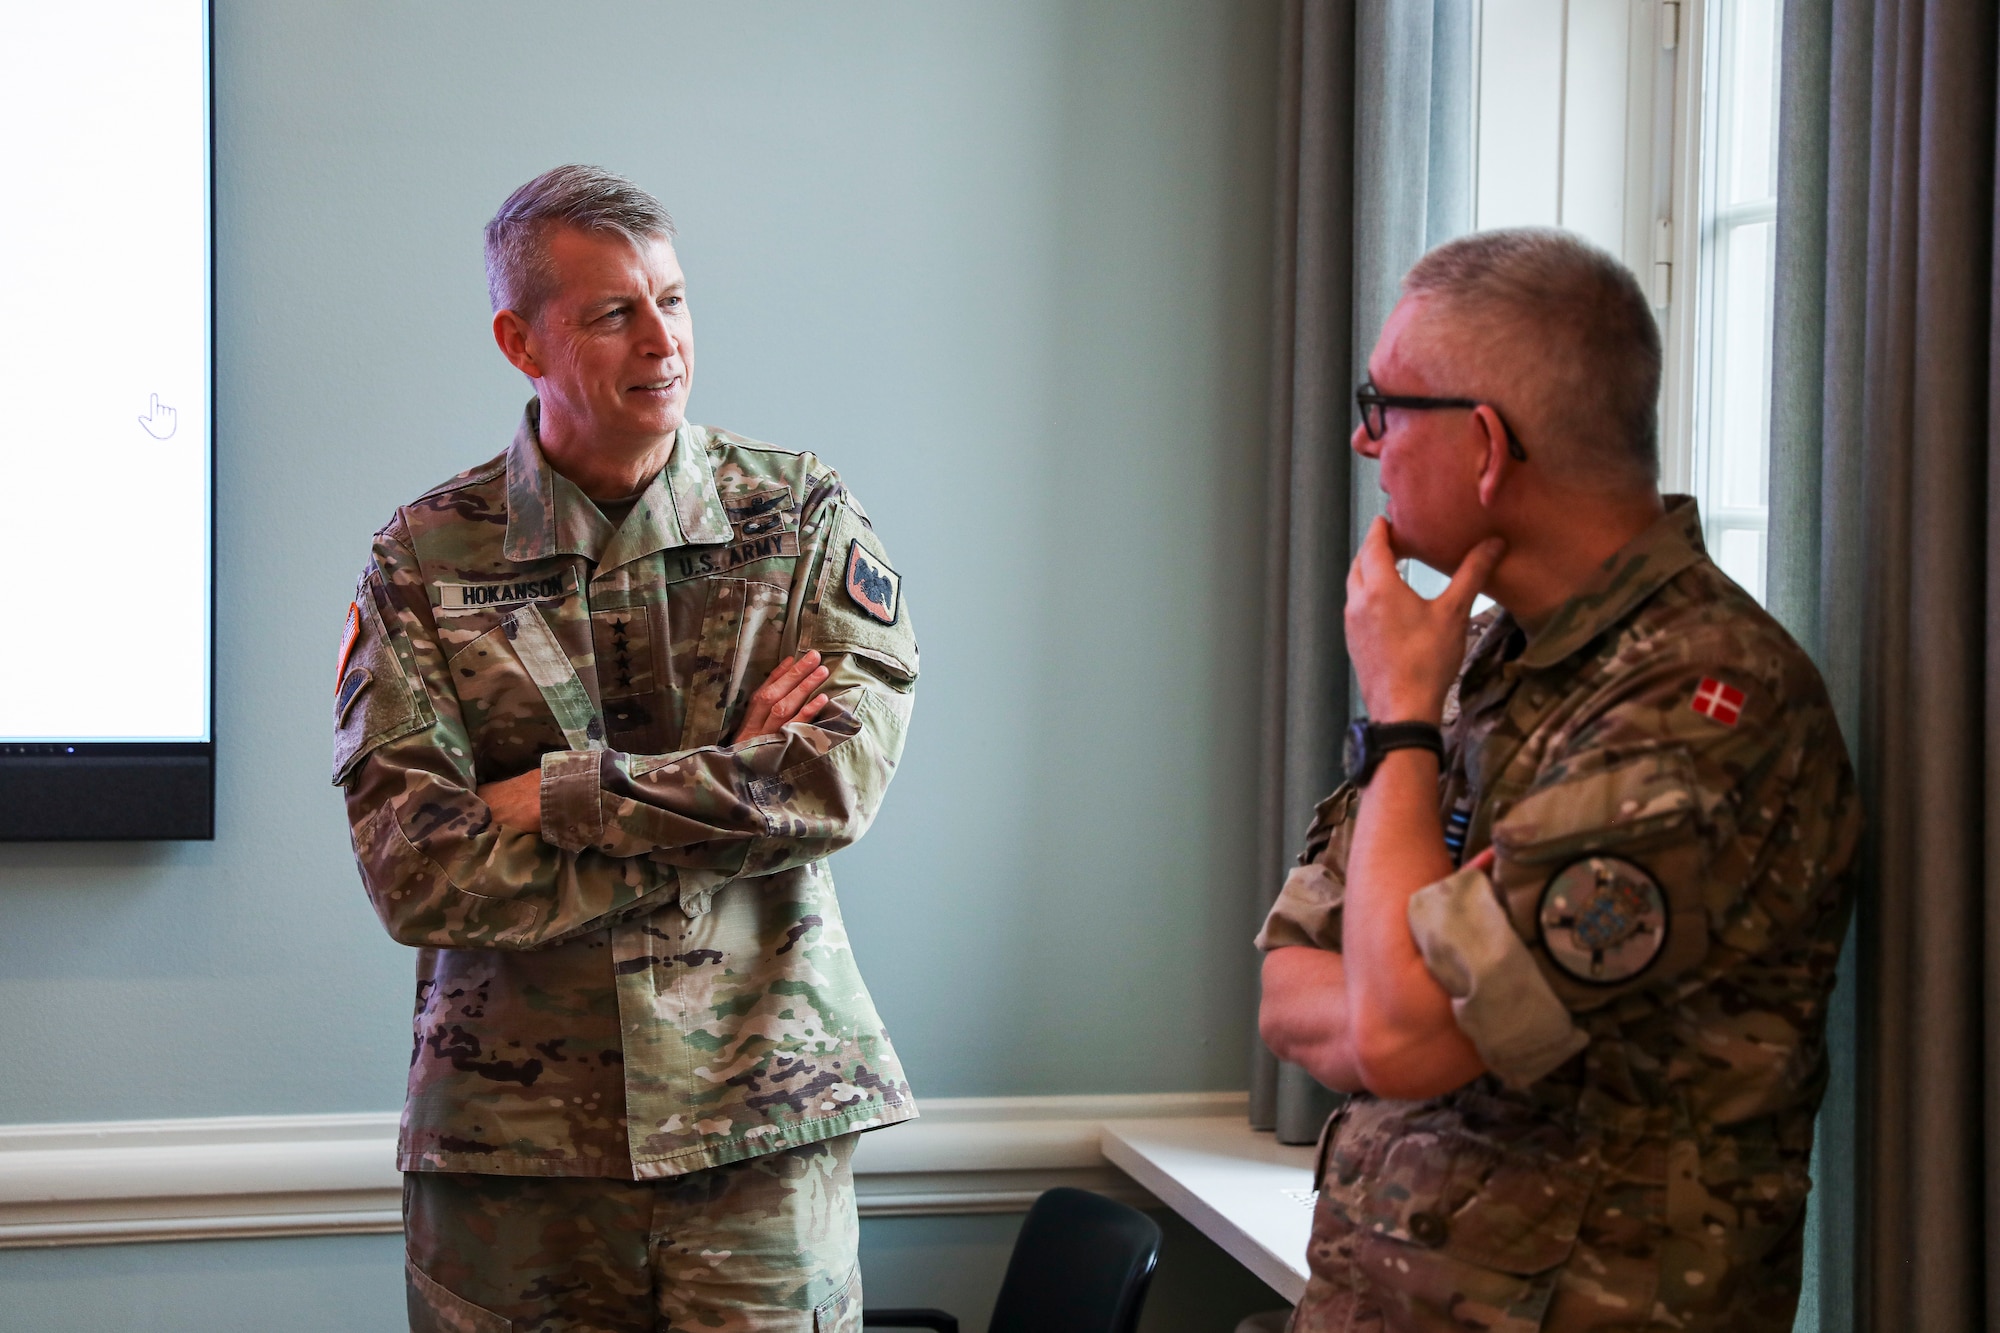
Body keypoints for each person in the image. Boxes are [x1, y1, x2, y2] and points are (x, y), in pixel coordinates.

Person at [332, 165, 919, 1333]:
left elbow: (830, 783)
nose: (663, 340)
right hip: (514, 1163)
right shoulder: (425, 558)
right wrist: (727, 798)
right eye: (613, 312)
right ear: (521, 340)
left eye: (675, 299)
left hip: (758, 1134)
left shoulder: (798, 519)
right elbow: (417, 868)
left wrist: (555, 796)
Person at [1255, 228, 1859, 1331]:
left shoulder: (1701, 705)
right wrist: (1409, 991)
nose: (1361, 438)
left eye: (1382, 405)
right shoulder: (1478, 657)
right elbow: (1291, 981)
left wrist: (1399, 726)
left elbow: (1392, 1037)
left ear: (1484, 444)